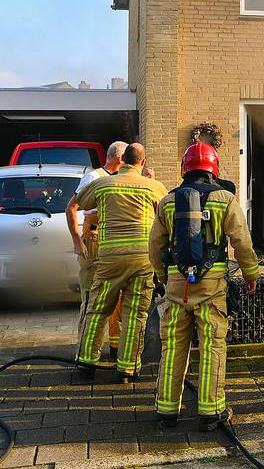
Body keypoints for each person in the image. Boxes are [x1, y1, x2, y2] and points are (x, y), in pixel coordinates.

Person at [149, 142, 259, 431]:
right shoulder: (225, 198)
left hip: (176, 284)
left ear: (185, 168)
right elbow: (242, 242)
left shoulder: (168, 201)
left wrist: (162, 276)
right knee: (212, 345)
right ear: (214, 168)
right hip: (212, 285)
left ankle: (166, 408)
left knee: (173, 345)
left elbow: (155, 245)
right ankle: (211, 411)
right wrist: (251, 274)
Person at [73, 143, 168, 382]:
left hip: (110, 259)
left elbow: (82, 203)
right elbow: (167, 213)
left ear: (122, 159)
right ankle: (126, 370)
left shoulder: (104, 183)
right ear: (142, 162)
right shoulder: (153, 187)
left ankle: (86, 362)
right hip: (141, 260)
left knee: (97, 309)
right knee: (135, 314)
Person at [67, 141, 127, 359]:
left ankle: (114, 346)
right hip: (94, 238)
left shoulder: (120, 178)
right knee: (92, 294)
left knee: (116, 296)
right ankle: (85, 350)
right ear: (120, 159)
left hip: (112, 240)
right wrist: (77, 241)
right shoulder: (93, 178)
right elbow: (71, 208)